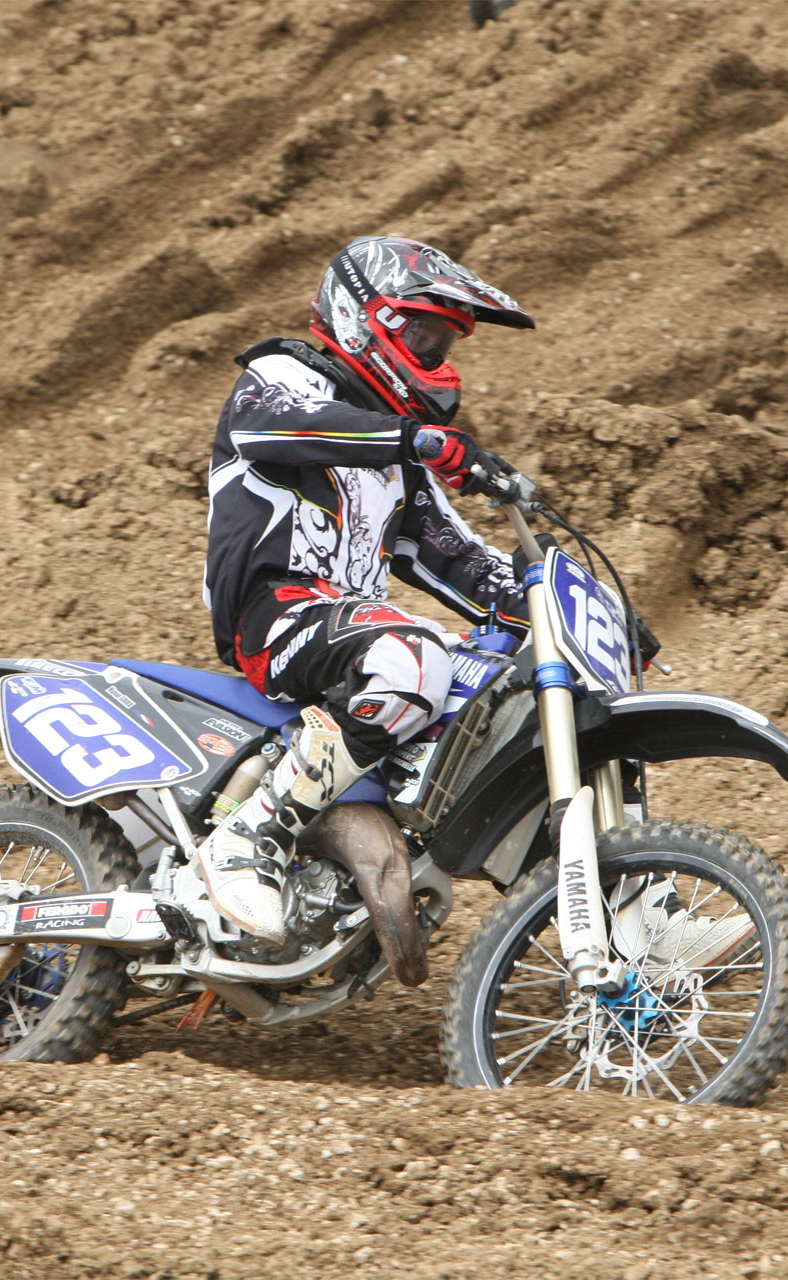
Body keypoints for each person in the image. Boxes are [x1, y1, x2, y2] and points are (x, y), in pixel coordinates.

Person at [197, 235, 535, 942]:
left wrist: (564, 603)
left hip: (350, 630)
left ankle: (634, 907)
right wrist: (416, 441)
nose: (435, 355)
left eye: (444, 341)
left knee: (514, 690)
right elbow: (275, 425)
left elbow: (460, 559)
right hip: (275, 615)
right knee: (414, 660)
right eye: (423, 335)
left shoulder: (395, 457)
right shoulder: (282, 376)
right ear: (364, 318)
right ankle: (248, 837)